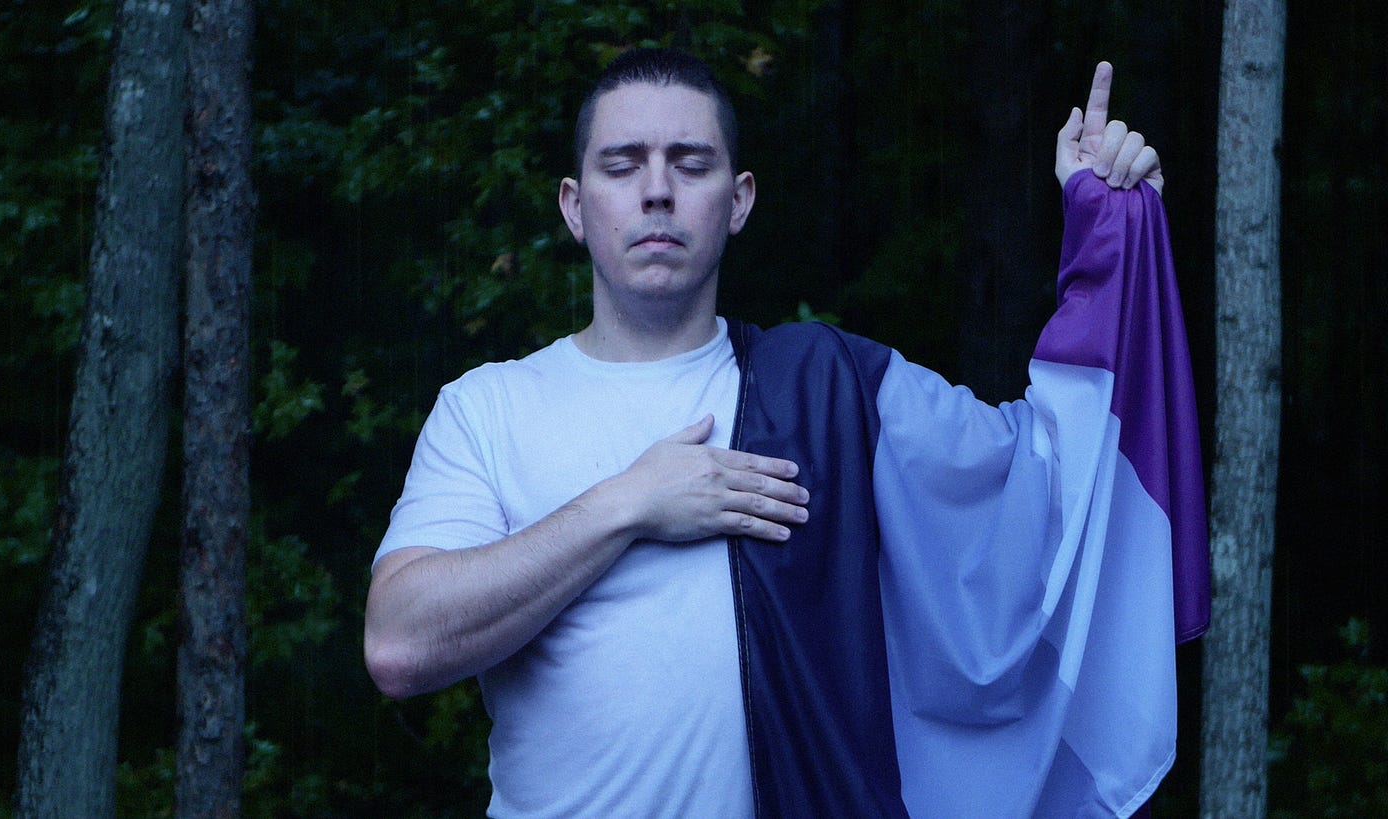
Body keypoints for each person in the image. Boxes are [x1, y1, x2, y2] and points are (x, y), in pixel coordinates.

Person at [365, 48, 1207, 818]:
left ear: (738, 201)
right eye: (623, 166)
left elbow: (1044, 482)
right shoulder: (488, 407)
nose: (656, 191)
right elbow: (400, 642)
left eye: (690, 164)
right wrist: (629, 503)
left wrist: (1111, 238)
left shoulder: (835, 392)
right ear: (575, 207)